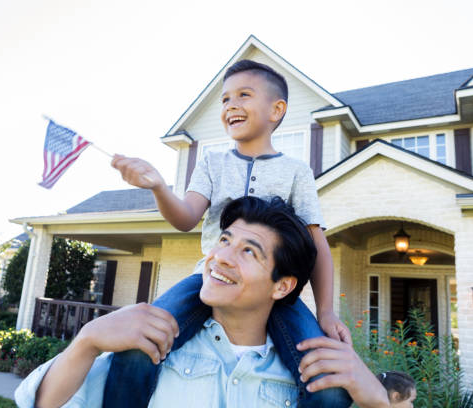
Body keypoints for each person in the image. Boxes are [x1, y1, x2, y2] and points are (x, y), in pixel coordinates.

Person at [106, 59, 351, 407]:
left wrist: (326, 312)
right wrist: (159, 187)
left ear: (276, 110)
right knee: (136, 346)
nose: (230, 105)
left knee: (330, 388)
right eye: (224, 100)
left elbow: (316, 245)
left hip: (271, 291)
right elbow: (186, 217)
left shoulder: (297, 172)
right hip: (209, 278)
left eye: (244, 95)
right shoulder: (211, 163)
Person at [15, 196, 389, 408]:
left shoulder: (312, 376)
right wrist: (87, 340)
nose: (221, 257)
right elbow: (41, 404)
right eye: (224, 240)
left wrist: (378, 401)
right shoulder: (149, 350)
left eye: (249, 251)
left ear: (282, 286)